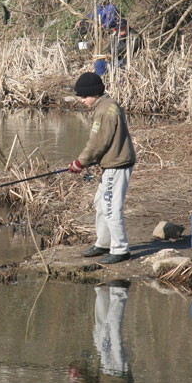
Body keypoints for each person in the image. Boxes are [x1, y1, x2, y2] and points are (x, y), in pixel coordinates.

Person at [68, 72, 136, 263]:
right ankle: (103, 243)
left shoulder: (105, 111)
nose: (82, 100)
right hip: (112, 164)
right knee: (101, 203)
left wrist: (80, 163)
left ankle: (120, 249)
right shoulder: (106, 105)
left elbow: (97, 143)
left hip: (117, 164)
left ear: (95, 93)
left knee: (111, 208)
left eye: (84, 96)